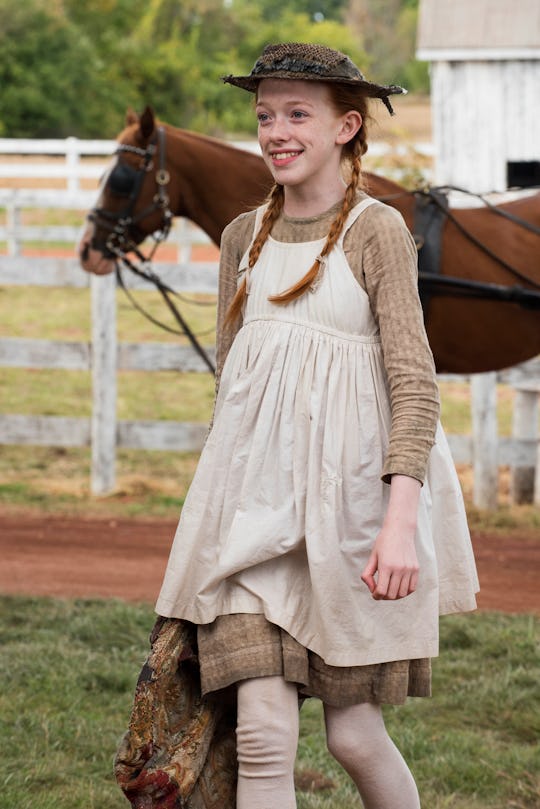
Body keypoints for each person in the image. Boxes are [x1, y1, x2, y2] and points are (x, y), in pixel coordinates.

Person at [155, 42, 479, 809]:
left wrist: (400, 523)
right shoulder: (243, 239)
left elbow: (414, 384)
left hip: (352, 519)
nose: (275, 130)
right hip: (255, 517)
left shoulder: (376, 232)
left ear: (346, 127)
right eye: (265, 115)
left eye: (298, 113)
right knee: (263, 730)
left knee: (353, 734)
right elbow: (235, 386)